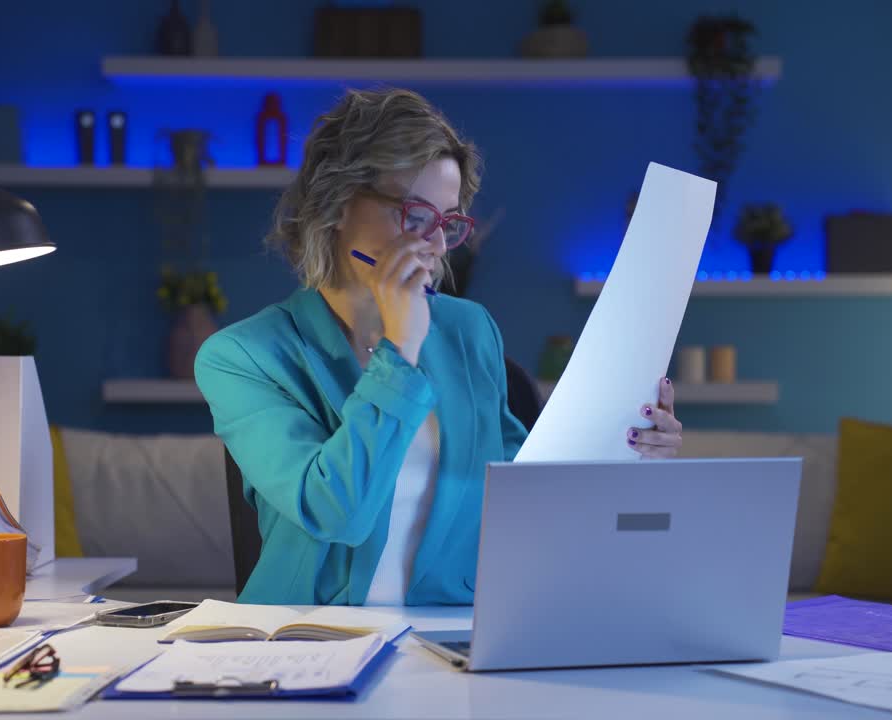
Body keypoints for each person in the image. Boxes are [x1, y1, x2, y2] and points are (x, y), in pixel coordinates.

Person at [195, 88, 682, 606]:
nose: (434, 244)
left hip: (450, 636)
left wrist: (631, 450)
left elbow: (525, 497)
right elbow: (338, 512)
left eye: (447, 221)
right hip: (311, 643)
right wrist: (398, 350)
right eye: (413, 214)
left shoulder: (469, 330)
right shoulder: (242, 357)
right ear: (337, 203)